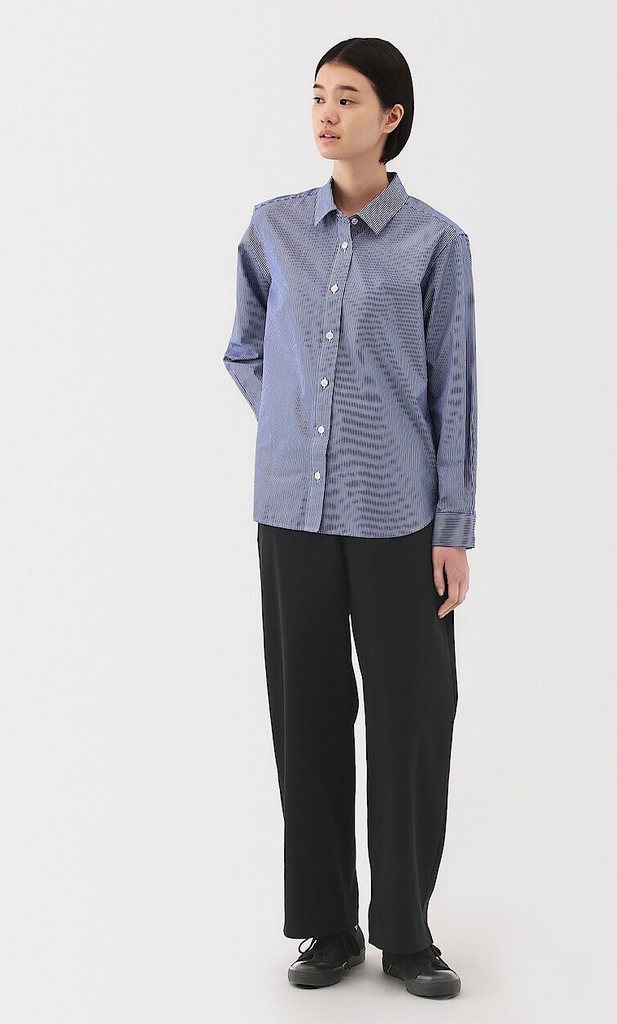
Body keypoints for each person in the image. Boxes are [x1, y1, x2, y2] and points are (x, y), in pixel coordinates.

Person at [222, 37, 477, 1000]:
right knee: (308, 714)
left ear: (391, 117)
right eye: (319, 96)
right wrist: (293, 425)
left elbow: (455, 390)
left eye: (349, 98)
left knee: (412, 718)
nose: (327, 114)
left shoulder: (436, 244)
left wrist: (454, 527)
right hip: (291, 509)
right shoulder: (273, 228)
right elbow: (245, 349)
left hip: (398, 516)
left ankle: (406, 933)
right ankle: (327, 928)